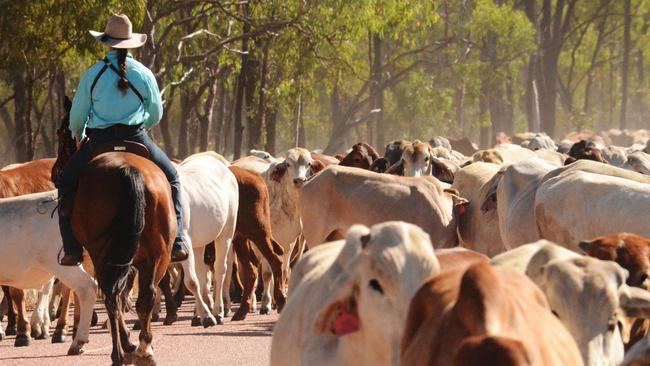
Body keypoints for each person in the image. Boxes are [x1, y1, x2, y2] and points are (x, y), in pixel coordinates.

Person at [58, 14, 188, 266]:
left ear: (106, 43)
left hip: (99, 141)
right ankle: (179, 241)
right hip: (137, 138)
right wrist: (141, 127)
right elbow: (156, 114)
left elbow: (76, 119)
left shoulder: (92, 74)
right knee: (172, 177)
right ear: (130, 44)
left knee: (66, 181)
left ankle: (72, 248)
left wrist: (80, 135)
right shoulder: (144, 73)